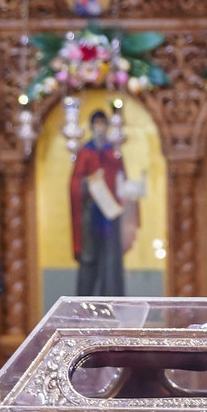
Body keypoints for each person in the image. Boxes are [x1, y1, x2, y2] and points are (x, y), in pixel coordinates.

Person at [71, 111, 128, 297]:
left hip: (110, 215)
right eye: (97, 124)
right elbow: (75, 183)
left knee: (110, 260)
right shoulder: (85, 153)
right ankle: (85, 303)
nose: (100, 128)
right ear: (91, 126)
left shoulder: (113, 153)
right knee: (89, 258)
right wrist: (89, 183)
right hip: (91, 214)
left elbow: (122, 180)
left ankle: (112, 301)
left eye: (103, 123)